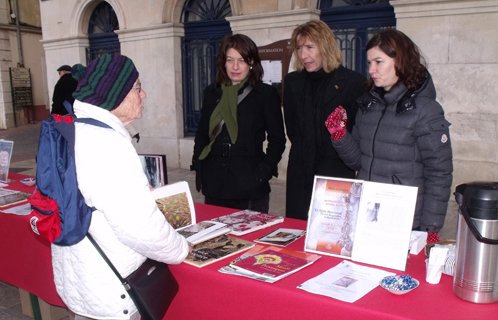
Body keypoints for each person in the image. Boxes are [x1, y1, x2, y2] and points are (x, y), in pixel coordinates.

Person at [51, 55, 190, 320]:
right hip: (112, 291)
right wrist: (181, 248)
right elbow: (139, 228)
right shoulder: (107, 145)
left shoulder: (76, 130)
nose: (144, 94)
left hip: (86, 281)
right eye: (138, 87)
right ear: (117, 96)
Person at [325, 29, 453, 241]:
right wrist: (340, 135)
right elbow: (358, 162)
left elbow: (439, 174)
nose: (372, 70)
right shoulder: (369, 105)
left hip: (405, 220)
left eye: (379, 62)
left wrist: (430, 229)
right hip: (367, 214)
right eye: (369, 63)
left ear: (400, 62)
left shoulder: (426, 110)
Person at [191, 34, 286, 214]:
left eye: (241, 60)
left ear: (251, 62)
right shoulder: (211, 93)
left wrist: (262, 173)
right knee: (215, 239)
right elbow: (202, 133)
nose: (235, 67)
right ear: (223, 62)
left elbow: (278, 139)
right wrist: (199, 164)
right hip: (215, 184)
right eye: (230, 60)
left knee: (250, 240)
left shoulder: (265, 94)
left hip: (249, 186)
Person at [283, 20, 366, 220]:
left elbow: (355, 134)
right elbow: (292, 129)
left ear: (325, 46)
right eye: (299, 48)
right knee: (297, 232)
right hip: (300, 174)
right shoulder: (293, 82)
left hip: (336, 174)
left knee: (333, 237)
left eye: (310, 47)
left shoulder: (353, 83)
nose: (303, 55)